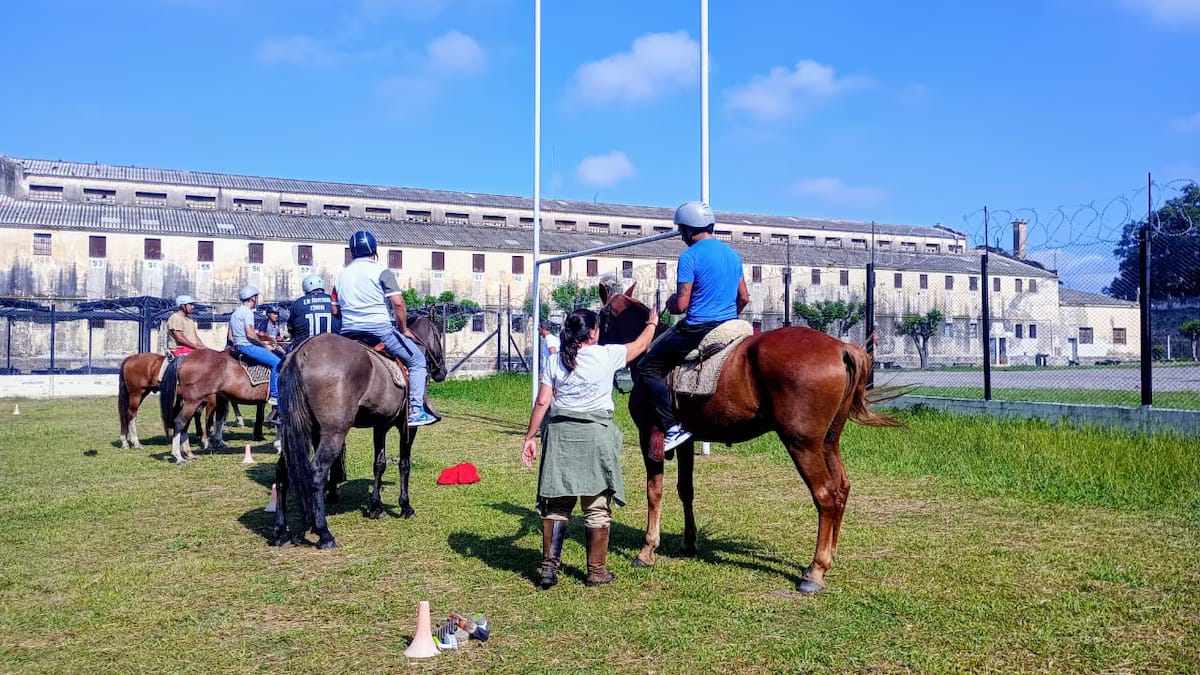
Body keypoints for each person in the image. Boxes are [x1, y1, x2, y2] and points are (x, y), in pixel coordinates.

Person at [521, 307, 658, 589]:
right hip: (596, 436)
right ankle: (596, 572)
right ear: (594, 332)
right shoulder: (607, 355)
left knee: (557, 506)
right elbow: (641, 345)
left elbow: (543, 402)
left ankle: (549, 570)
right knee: (596, 507)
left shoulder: (555, 360)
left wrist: (530, 437)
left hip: (560, 437)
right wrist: (652, 322)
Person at [635, 201, 749, 452]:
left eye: (681, 230)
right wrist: (727, 316)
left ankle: (672, 427)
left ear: (688, 229)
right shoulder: (732, 254)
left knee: (646, 367)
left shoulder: (690, 256)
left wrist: (670, 302)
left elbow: (681, 305)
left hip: (698, 328)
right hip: (730, 325)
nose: (681, 235)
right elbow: (743, 297)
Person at [334, 230, 436, 427]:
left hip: (348, 333)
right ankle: (415, 411)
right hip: (379, 330)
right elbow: (397, 303)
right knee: (417, 361)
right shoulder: (381, 271)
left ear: (352, 252)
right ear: (374, 250)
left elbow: (335, 309)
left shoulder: (341, 275)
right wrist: (403, 328)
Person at [229, 284, 281, 406]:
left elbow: (231, 335)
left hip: (237, 346)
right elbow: (250, 334)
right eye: (256, 297)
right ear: (252, 298)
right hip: (247, 346)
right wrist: (263, 344)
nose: (257, 299)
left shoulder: (235, 312)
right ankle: (274, 395)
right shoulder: (248, 312)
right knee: (277, 363)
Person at [288, 274, 340, 348]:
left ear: (305, 289)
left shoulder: (297, 303)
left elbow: (291, 328)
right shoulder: (334, 302)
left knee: (287, 352)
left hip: (305, 347)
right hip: (332, 346)